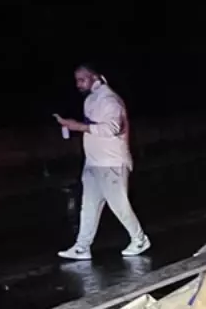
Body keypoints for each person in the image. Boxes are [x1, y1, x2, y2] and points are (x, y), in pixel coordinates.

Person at [54, 64, 149, 259]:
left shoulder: (110, 100)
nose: (78, 84)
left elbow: (113, 128)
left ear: (95, 77)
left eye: (82, 80)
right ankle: (82, 247)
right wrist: (73, 127)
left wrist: (78, 126)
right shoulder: (90, 100)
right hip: (93, 163)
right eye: (76, 80)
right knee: (88, 207)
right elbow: (92, 128)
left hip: (111, 163)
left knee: (119, 205)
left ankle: (139, 239)